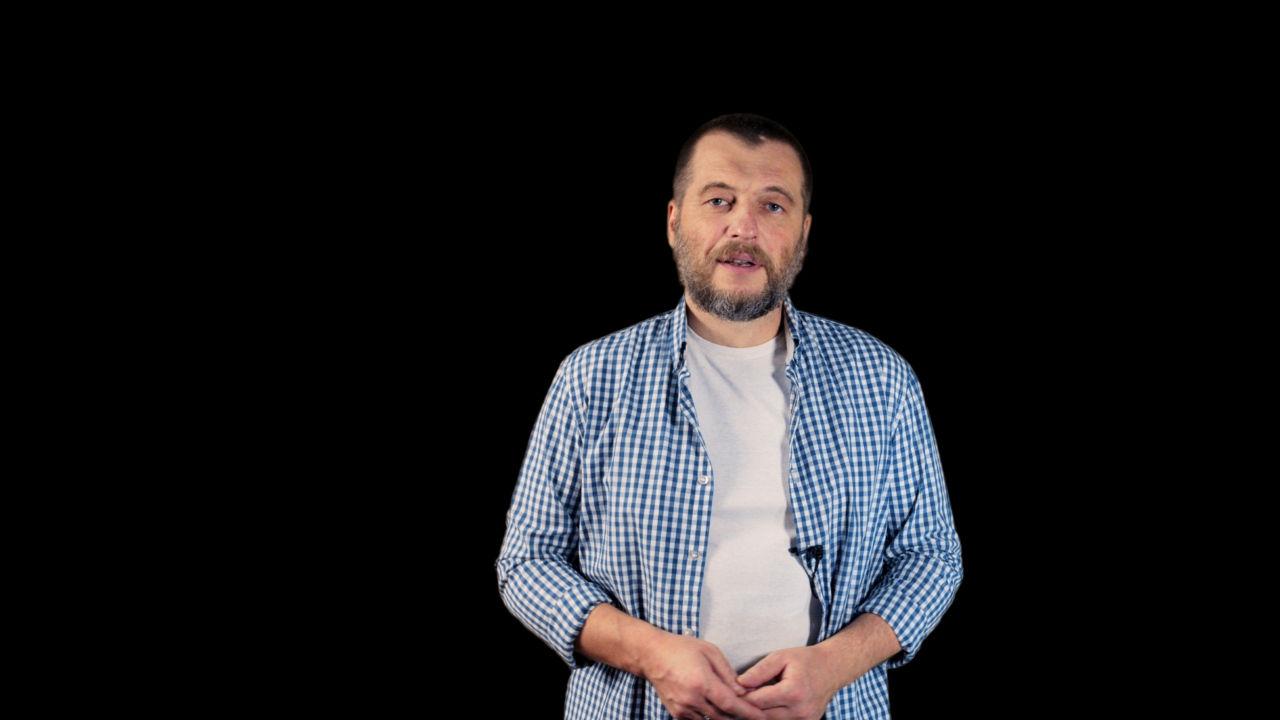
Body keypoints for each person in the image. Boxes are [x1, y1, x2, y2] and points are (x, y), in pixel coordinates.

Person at [496, 113, 962, 720]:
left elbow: (933, 555)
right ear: (673, 222)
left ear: (803, 231)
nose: (744, 226)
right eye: (719, 200)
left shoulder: (882, 378)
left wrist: (835, 665)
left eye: (773, 205)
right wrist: (651, 655)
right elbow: (527, 562)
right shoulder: (591, 377)